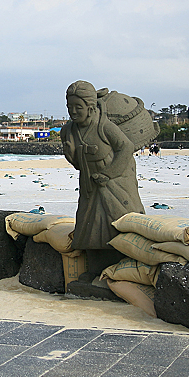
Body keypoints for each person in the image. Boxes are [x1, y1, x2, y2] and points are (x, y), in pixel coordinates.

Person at [61, 81, 144, 262]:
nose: (73, 112)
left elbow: (126, 148)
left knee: (116, 223)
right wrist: (71, 155)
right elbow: (78, 164)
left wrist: (109, 174)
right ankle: (95, 270)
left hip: (115, 183)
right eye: (70, 107)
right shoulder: (68, 130)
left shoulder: (104, 126)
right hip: (89, 185)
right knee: (88, 226)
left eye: (78, 107)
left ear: (90, 107)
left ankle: (120, 266)